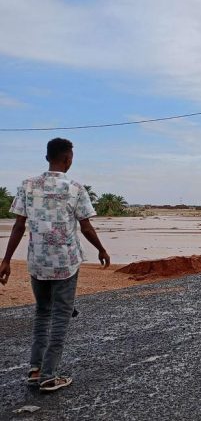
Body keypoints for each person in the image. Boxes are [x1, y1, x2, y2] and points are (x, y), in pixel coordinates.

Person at [0, 138, 110, 392]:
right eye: (71, 157)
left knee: (42, 312)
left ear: (47, 157)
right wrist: (101, 249)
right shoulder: (75, 188)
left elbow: (18, 226)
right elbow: (86, 226)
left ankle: (36, 369)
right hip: (65, 263)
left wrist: (6, 260)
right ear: (68, 158)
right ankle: (49, 375)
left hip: (37, 262)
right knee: (61, 315)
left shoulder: (27, 186)